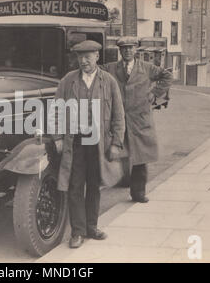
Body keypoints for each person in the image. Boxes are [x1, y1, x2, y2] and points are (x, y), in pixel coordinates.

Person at [51, 40, 126, 249]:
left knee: (94, 185)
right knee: (75, 187)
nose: (83, 61)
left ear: (97, 57)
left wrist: (116, 144)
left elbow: (119, 115)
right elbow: (56, 110)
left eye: (87, 57)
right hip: (75, 142)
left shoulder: (109, 81)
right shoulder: (68, 81)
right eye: (79, 57)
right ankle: (77, 232)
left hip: (99, 144)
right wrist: (57, 137)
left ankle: (92, 227)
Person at [103, 36, 173, 203]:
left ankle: (138, 193)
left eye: (131, 48)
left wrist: (154, 94)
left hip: (140, 119)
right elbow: (96, 73)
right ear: (120, 51)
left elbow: (167, 76)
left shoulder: (147, 68)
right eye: (124, 48)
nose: (127, 51)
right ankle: (118, 181)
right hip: (119, 118)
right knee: (118, 152)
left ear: (136, 50)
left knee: (140, 158)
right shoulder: (111, 68)